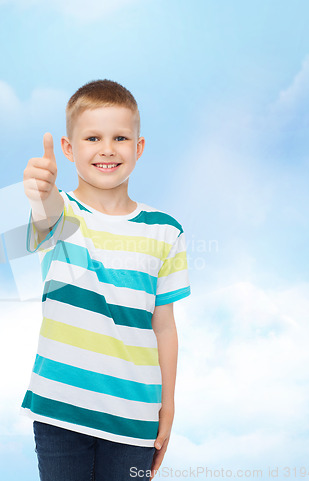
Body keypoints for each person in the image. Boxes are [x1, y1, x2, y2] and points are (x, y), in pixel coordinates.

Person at [21, 79, 191, 481]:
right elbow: (44, 215)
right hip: (60, 410)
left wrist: (168, 405)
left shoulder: (165, 231)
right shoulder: (61, 212)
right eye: (92, 137)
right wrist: (40, 191)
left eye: (120, 137)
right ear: (68, 148)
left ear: (139, 147)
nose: (107, 149)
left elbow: (164, 327)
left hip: (136, 417)